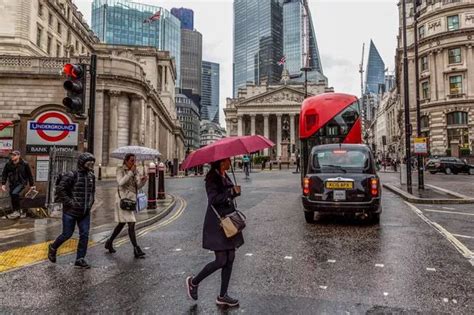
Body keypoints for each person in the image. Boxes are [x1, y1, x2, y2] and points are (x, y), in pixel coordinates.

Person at [186, 158, 243, 307]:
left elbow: (227, 195)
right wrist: (230, 192)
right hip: (218, 223)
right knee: (221, 260)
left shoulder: (225, 174)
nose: (230, 161)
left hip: (229, 221)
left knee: (230, 257)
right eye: (227, 160)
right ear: (220, 162)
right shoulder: (212, 177)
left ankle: (223, 295)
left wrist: (235, 192)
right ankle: (193, 282)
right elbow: (213, 199)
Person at [48, 152, 96, 269]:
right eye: (88, 162)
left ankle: (80, 259)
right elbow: (60, 189)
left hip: (84, 212)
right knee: (67, 234)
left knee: (84, 235)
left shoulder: (91, 176)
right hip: (70, 212)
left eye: (92, 163)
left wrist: (90, 204)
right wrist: (70, 203)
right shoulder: (71, 175)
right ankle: (53, 247)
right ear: (82, 163)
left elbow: (92, 192)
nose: (91, 165)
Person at [105, 153, 148, 258]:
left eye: (134, 160)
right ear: (126, 161)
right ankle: (136, 249)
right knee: (131, 223)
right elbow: (120, 182)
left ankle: (109, 242)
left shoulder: (135, 171)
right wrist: (130, 172)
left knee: (121, 224)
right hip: (122, 201)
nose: (134, 162)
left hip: (131, 201)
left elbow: (137, 186)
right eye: (132, 160)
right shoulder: (120, 169)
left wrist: (143, 181)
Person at [1, 150, 35, 219]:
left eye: (14, 155)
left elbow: (29, 175)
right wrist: (3, 184)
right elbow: (4, 174)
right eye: (12, 155)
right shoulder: (8, 164)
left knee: (14, 193)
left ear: (19, 156)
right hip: (12, 183)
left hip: (21, 183)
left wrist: (32, 185)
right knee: (13, 195)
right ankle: (16, 211)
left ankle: (17, 211)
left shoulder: (24, 164)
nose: (12, 156)